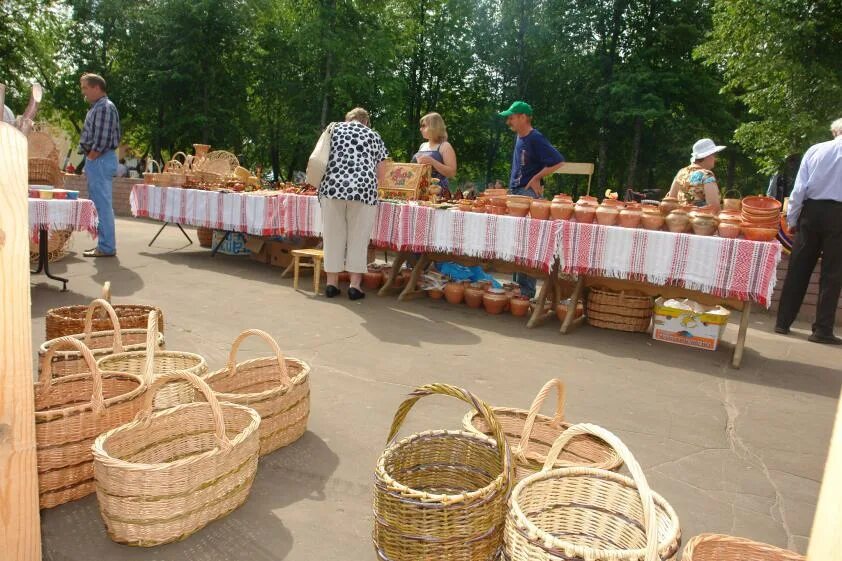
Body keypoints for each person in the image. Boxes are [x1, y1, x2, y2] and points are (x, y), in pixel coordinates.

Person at [775, 118, 842, 344]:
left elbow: (799, 189)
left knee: (798, 267)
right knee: (833, 274)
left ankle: (782, 322)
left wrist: (792, 219)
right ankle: (822, 330)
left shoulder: (815, 150)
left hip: (811, 212)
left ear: (834, 132)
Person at [319, 107, 389, 300]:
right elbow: (382, 170)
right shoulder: (373, 135)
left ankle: (331, 284)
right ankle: (354, 286)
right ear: (366, 121)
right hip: (363, 190)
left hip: (332, 188)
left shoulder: (333, 129)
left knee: (333, 236)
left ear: (347, 119)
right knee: (358, 238)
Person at [499, 100, 564, 298]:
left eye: (512, 117)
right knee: (517, 240)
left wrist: (537, 177)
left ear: (523, 117)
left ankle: (526, 290)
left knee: (527, 241)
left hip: (527, 195)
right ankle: (518, 285)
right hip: (516, 192)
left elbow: (558, 161)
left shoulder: (535, 137)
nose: (508, 120)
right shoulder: (520, 137)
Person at [79, 73, 121, 257]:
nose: (84, 93)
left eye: (85, 88)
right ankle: (104, 245)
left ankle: (106, 247)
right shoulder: (100, 106)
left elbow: (102, 139)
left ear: (96, 87)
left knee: (102, 205)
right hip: (99, 160)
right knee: (100, 204)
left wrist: (92, 156)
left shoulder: (104, 107)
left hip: (100, 160)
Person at [666, 138, 725, 212]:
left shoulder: (681, 173)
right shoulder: (706, 175)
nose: (715, 159)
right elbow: (714, 209)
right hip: (700, 221)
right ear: (708, 156)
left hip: (679, 220)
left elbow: (670, 201)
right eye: (714, 155)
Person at [412, 112, 457, 198]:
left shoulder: (445, 146)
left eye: (424, 126)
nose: (420, 129)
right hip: (419, 192)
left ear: (434, 127)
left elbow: (452, 173)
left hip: (438, 194)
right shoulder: (422, 146)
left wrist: (432, 161)